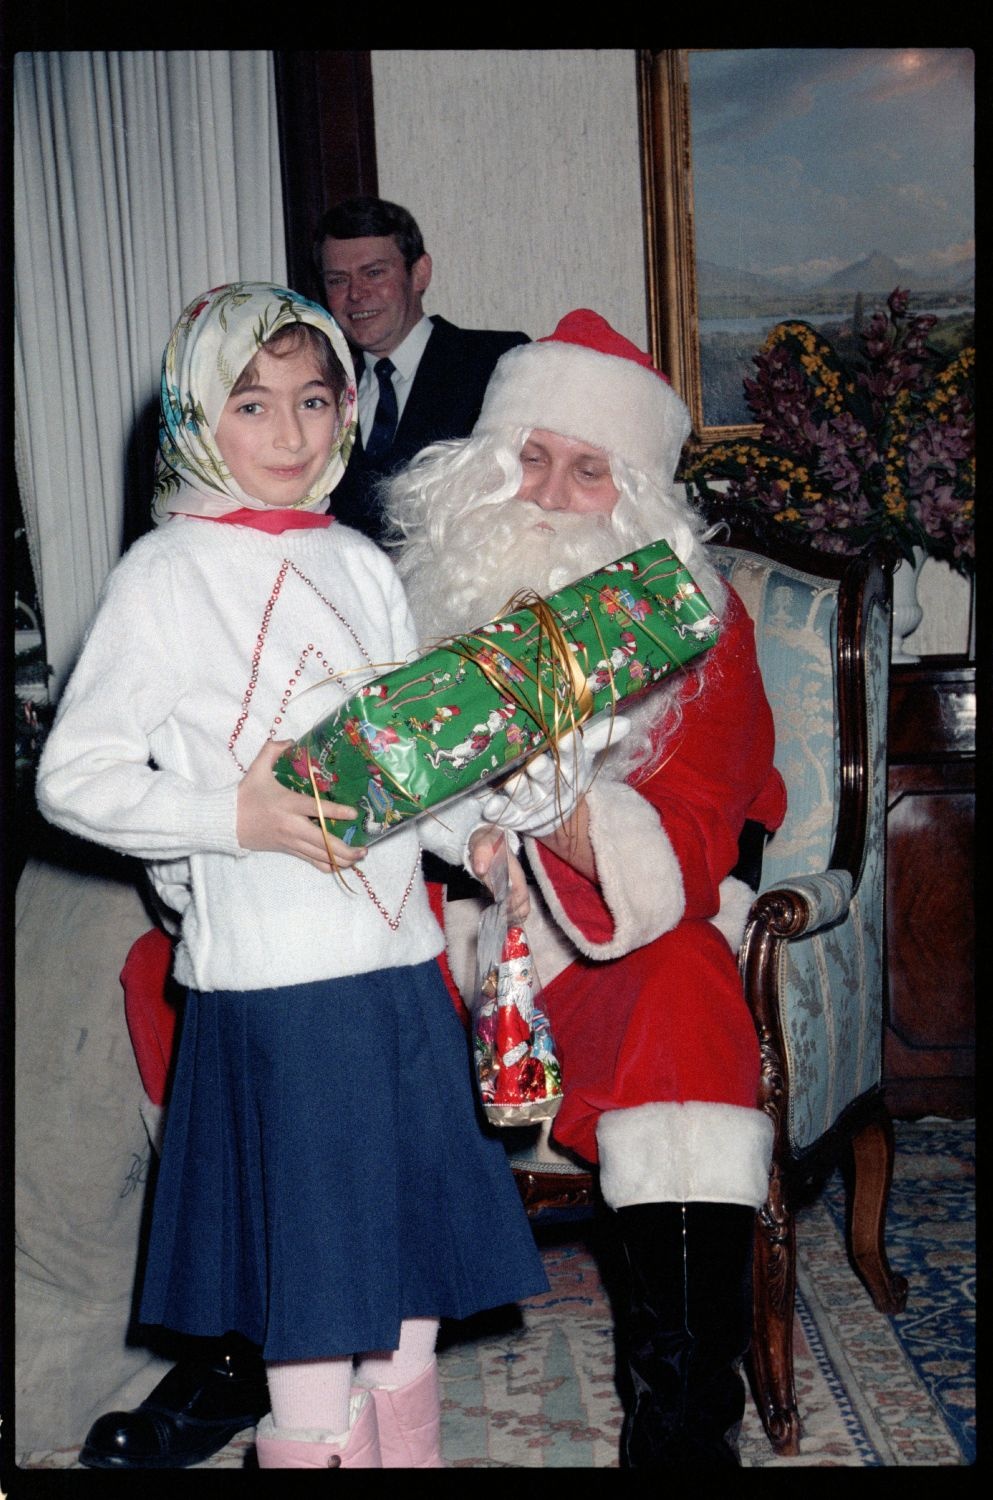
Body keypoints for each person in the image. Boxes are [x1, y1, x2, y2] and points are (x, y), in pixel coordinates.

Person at [36, 282, 547, 1471]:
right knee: (317, 1299)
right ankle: (311, 1447)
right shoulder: (166, 574)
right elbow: (75, 777)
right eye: (252, 404)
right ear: (197, 417)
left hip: (399, 969)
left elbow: (401, 766)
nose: (290, 433)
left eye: (314, 401)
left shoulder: (360, 562)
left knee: (409, 1281)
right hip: (278, 993)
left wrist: (469, 833)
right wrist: (238, 815)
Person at [384, 309, 788, 1468]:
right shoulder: (404, 595)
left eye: (589, 468)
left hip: (596, 948)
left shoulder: (703, 621)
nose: (552, 491)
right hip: (427, 929)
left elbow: (701, 827)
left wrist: (544, 802)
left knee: (685, 990)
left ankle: (679, 1415)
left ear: (638, 494)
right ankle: (244, 1354)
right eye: (531, 456)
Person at [315, 196, 529, 543]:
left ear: (420, 273)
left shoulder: (496, 361)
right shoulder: (321, 394)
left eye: (374, 273)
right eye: (338, 280)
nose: (356, 294)